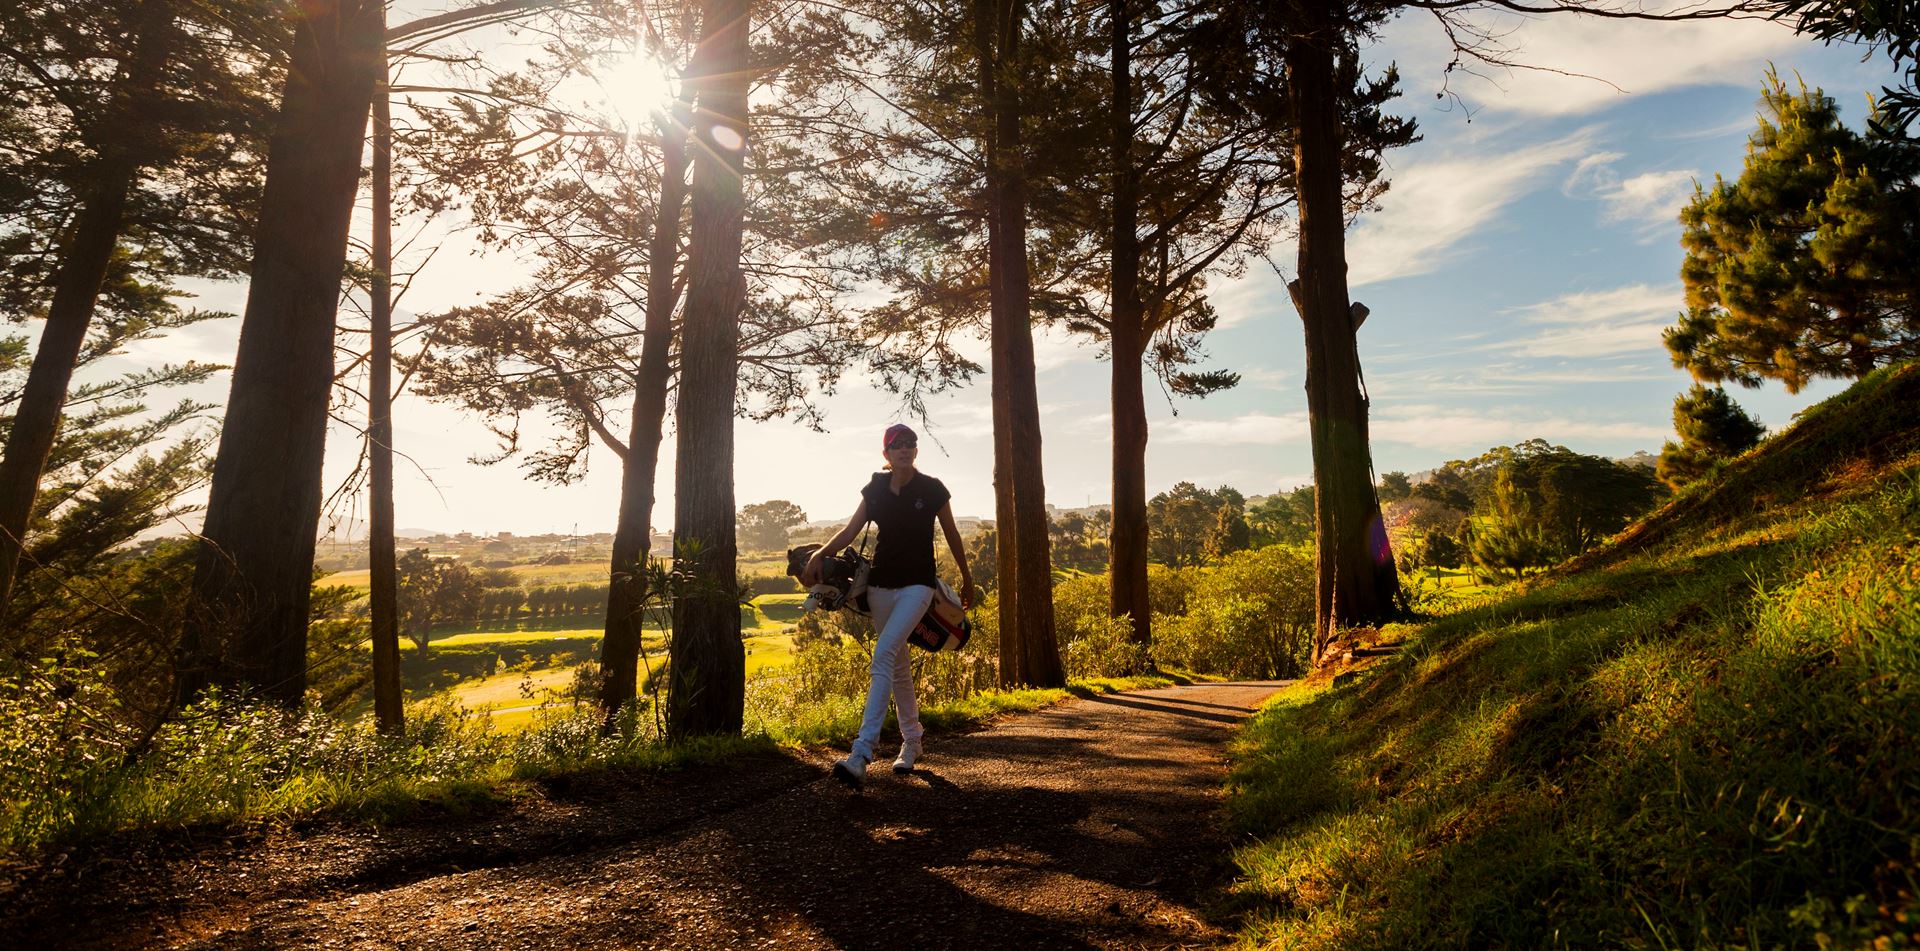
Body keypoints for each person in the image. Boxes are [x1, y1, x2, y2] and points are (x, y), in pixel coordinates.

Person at [803, 423, 973, 789]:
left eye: (910, 443)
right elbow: (850, 531)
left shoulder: (932, 489)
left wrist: (967, 576)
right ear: (886, 454)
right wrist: (820, 552)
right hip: (879, 587)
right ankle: (912, 742)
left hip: (918, 586)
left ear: (915, 451)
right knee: (896, 665)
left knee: (882, 655)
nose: (905, 449)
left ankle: (862, 753)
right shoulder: (876, 488)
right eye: (897, 445)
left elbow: (953, 533)